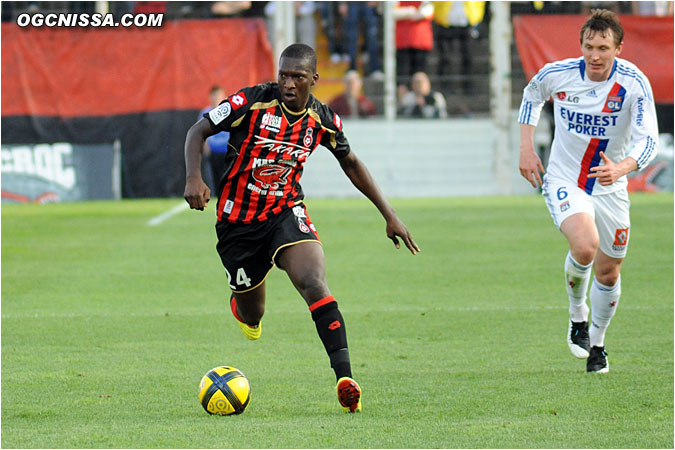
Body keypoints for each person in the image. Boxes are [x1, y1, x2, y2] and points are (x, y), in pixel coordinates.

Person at [184, 43, 420, 412]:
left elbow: (351, 163)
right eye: (283, 75)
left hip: (284, 211)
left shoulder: (323, 119)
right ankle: (241, 306)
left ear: (314, 79)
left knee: (313, 281)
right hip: (238, 224)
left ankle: (345, 377)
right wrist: (194, 179)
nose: (289, 83)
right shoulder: (252, 102)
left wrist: (388, 214)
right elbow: (197, 131)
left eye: (297, 77)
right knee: (253, 313)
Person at [518, 9, 658, 373]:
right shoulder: (559, 74)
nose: (594, 55)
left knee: (609, 273)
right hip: (566, 179)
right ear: (580, 45)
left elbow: (649, 141)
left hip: (611, 186)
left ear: (619, 48)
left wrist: (622, 167)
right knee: (585, 245)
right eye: (588, 46)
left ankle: (597, 343)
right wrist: (526, 148)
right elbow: (532, 94)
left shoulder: (634, 84)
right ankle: (577, 315)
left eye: (603, 47)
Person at [432, 1, 486, 95]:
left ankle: (468, 87)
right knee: (445, 58)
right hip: (445, 23)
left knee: (468, 57)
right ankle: (445, 87)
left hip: (468, 22)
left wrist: (478, 18)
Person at [394, 1, 434, 87]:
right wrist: (410, 11)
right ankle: (402, 94)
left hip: (420, 40)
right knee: (402, 73)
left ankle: (419, 97)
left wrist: (405, 13)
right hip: (402, 40)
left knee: (419, 73)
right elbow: (391, 13)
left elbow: (425, 12)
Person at [199, 85, 230, 193]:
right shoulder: (206, 112)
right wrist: (205, 147)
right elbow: (201, 132)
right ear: (210, 97)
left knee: (229, 176)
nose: (216, 98)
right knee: (216, 177)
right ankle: (219, 197)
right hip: (214, 151)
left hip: (228, 151)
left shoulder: (229, 111)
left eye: (219, 95)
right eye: (214, 96)